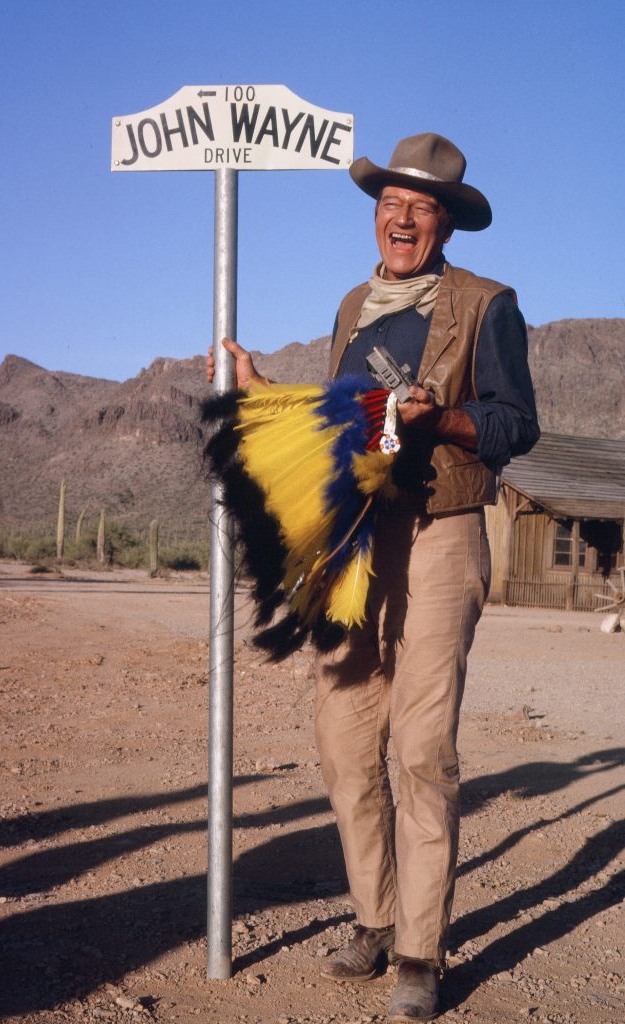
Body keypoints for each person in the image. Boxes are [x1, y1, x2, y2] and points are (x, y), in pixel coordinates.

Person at [206, 132, 539, 1022]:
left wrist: (444, 422)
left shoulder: (486, 305)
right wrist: (259, 388)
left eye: (420, 207)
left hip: (439, 536)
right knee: (346, 741)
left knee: (420, 749)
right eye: (391, 202)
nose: (401, 217)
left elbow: (516, 424)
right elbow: (340, 426)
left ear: (445, 224)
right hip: (353, 544)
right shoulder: (356, 302)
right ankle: (376, 919)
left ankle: (422, 953)